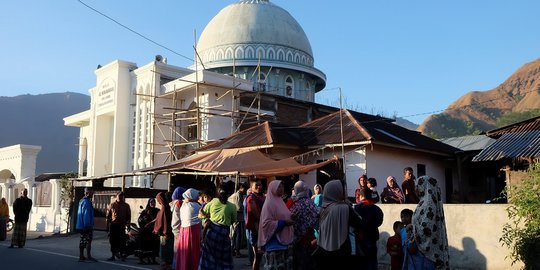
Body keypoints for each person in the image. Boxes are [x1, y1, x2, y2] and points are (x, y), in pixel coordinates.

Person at [403, 176, 450, 269]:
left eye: (417, 186)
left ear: (424, 187)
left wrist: (412, 228)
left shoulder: (428, 204)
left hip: (426, 252)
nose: (415, 190)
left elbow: (426, 228)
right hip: (426, 251)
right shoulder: (426, 202)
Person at [314, 179, 363, 269]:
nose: (345, 191)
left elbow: (317, 225)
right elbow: (359, 223)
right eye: (343, 189)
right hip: (341, 250)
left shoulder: (322, 208)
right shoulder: (344, 208)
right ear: (337, 191)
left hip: (323, 250)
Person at [258, 180, 295, 270]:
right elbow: (266, 224)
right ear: (272, 188)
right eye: (279, 187)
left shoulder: (280, 201)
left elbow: (284, 215)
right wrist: (284, 223)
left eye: (282, 186)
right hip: (273, 245)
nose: (281, 189)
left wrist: (292, 216)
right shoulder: (269, 204)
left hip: (284, 244)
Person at [198, 185, 237, 270]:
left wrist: (207, 216)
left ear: (217, 193)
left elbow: (201, 215)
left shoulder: (213, 201)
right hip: (224, 235)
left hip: (211, 233)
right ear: (229, 194)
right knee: (224, 260)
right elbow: (233, 220)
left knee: (208, 258)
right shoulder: (232, 206)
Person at [353, 187, 384, 270]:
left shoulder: (357, 208)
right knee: (372, 262)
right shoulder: (376, 209)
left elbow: (354, 223)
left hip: (360, 239)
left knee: (362, 263)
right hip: (372, 238)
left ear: (361, 196)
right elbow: (380, 222)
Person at [290, 180, 318, 270]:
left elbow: (290, 218)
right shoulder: (311, 203)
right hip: (309, 239)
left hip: (296, 240)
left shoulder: (295, 204)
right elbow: (316, 217)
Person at [177, 188, 202, 270]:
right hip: (193, 230)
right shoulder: (196, 206)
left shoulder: (183, 206)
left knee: (184, 252)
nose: (198, 197)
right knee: (192, 252)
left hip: (183, 231)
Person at [245, 178, 266, 270]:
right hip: (255, 230)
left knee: (260, 256)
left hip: (262, 228)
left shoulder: (262, 197)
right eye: (256, 185)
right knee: (257, 256)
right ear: (251, 187)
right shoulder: (251, 198)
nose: (259, 187)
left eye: (260, 184)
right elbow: (257, 216)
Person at [106, 191, 131, 261]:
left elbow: (128, 217)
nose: (120, 197)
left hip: (122, 226)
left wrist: (128, 225)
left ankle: (122, 255)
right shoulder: (112, 205)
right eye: (119, 195)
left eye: (122, 196)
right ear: (116, 196)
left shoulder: (126, 206)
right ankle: (113, 255)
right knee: (113, 241)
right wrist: (107, 227)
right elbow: (108, 217)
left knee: (122, 241)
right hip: (114, 226)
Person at [75, 187, 97, 262]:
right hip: (85, 226)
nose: (93, 193)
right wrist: (88, 225)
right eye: (92, 192)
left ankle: (81, 256)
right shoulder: (86, 202)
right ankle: (88, 256)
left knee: (83, 240)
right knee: (88, 241)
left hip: (81, 225)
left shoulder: (82, 200)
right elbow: (86, 214)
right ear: (88, 192)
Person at [154, 191, 174, 270]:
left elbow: (165, 221)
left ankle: (167, 265)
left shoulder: (165, 208)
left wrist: (165, 232)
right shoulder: (164, 207)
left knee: (166, 249)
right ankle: (166, 264)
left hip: (165, 233)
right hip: (164, 233)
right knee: (165, 249)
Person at [228, 182, 247, 258]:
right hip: (237, 218)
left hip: (235, 217)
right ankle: (237, 251)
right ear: (241, 188)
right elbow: (238, 207)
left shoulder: (234, 195)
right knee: (237, 235)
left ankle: (234, 250)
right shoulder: (237, 195)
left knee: (234, 234)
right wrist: (245, 208)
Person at [138, 197, 160, 265]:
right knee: (145, 246)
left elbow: (158, 219)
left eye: (154, 202)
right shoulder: (145, 211)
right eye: (151, 202)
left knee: (154, 246)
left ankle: (153, 259)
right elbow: (140, 220)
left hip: (154, 231)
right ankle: (143, 259)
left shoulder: (157, 211)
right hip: (146, 232)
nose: (153, 203)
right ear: (149, 203)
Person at [170, 186, 186, 268]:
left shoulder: (174, 203)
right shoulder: (179, 203)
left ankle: (175, 266)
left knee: (177, 251)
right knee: (179, 251)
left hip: (176, 229)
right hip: (179, 230)